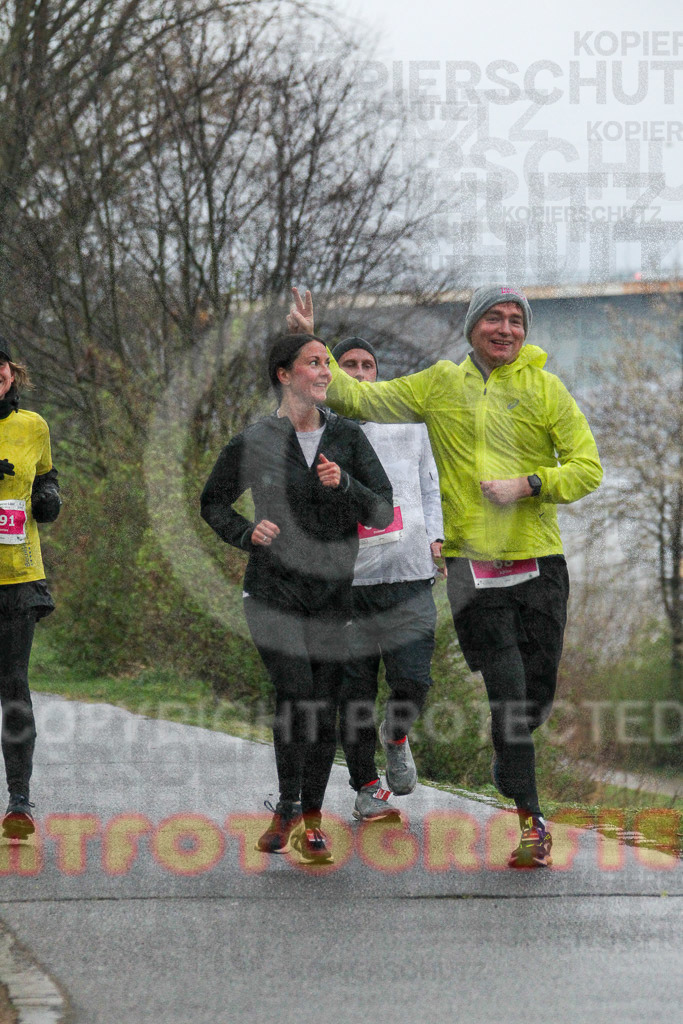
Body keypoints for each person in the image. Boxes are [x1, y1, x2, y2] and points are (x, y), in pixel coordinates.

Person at [287, 286, 602, 867]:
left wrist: (529, 484)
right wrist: (314, 343)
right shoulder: (440, 384)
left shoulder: (545, 388)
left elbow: (587, 468)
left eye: (515, 320)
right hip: (472, 571)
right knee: (507, 696)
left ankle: (510, 760)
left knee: (533, 700)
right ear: (471, 327)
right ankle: (533, 822)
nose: (505, 329)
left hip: (539, 564)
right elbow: (359, 397)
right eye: (493, 318)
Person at [200, 334, 393, 863]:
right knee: (298, 693)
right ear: (284, 375)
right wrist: (245, 533)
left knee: (322, 706)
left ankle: (308, 818)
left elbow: (381, 510)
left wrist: (346, 485)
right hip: (271, 591)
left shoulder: (348, 438)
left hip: (332, 595)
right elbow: (212, 503)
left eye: (326, 363)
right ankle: (288, 805)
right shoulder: (257, 439)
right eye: (314, 363)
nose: (326, 372)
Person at [330, 336, 444, 821]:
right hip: (348, 584)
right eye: (348, 365)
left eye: (367, 365)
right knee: (354, 691)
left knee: (413, 680)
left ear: (377, 374)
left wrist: (438, 539)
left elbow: (430, 485)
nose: (358, 373)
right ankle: (366, 786)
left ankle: (396, 735)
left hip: (409, 572)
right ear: (332, 373)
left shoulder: (407, 424)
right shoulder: (321, 430)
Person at [0, 339, 61, 839]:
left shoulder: (33, 426)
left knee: (14, 686)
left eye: (0, 366)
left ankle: (18, 800)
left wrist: (48, 496)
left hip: (18, 574)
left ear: (12, 372)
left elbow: (46, 475)